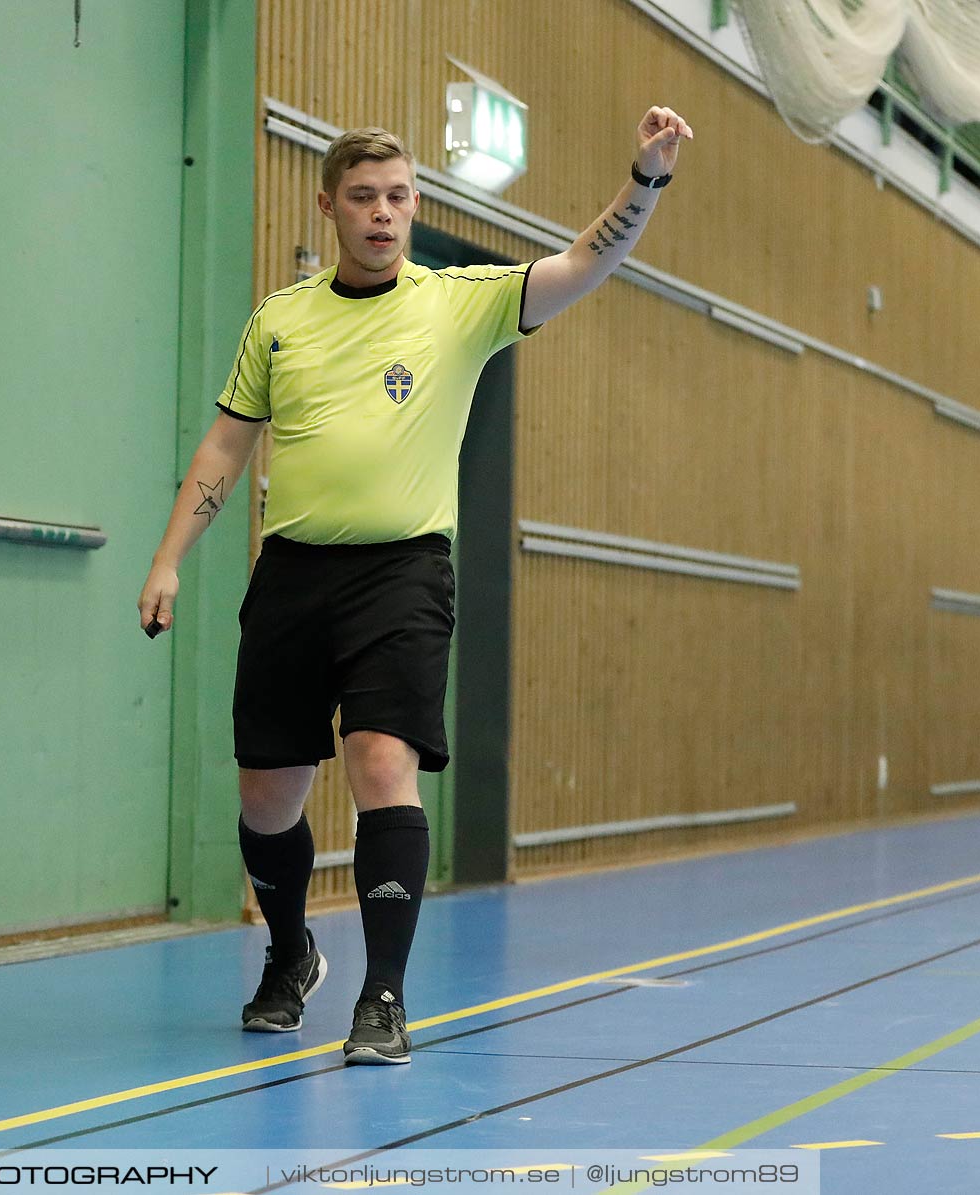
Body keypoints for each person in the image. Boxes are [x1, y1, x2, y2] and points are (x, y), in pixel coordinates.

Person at [137, 107, 692, 1065]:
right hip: (294, 572)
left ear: (415, 204)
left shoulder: (456, 302)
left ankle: (384, 995)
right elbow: (227, 442)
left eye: (398, 197)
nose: (382, 214)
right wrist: (168, 557)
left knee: (382, 764)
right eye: (363, 198)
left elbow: (583, 266)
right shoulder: (281, 320)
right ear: (330, 206)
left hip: (403, 570)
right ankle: (290, 951)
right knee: (269, 796)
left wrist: (643, 181)